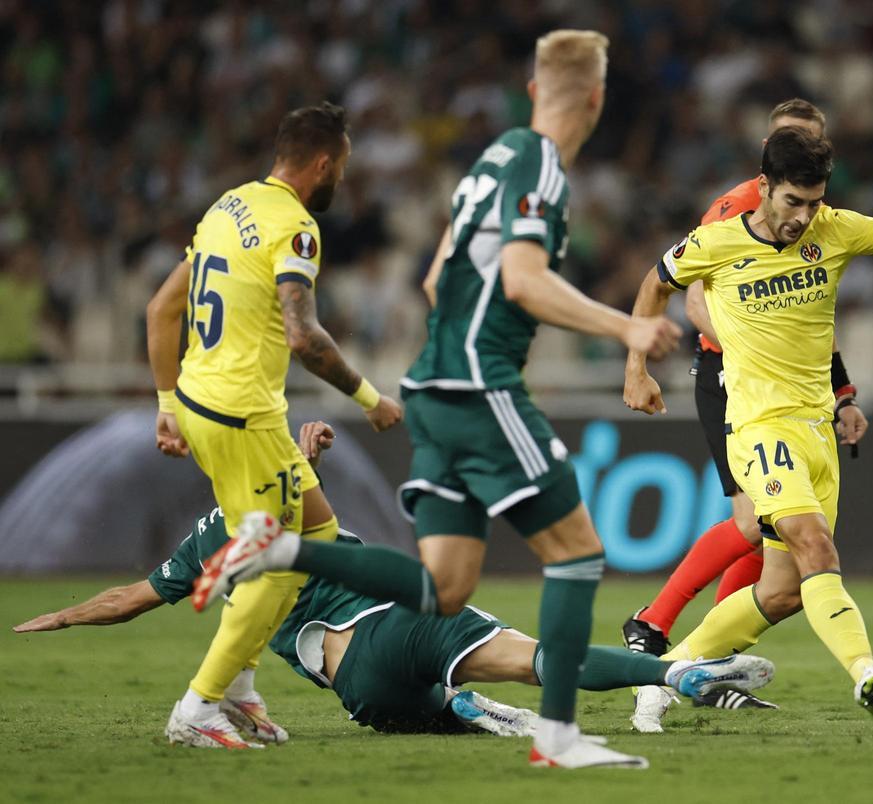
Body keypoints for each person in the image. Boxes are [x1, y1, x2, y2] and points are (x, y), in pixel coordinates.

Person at [201, 30, 679, 770]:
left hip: (431, 381)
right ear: (596, 98)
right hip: (478, 383)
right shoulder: (543, 167)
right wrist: (630, 328)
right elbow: (521, 279)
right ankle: (557, 740)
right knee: (578, 552)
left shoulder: (489, 160)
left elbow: (434, 279)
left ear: (530, 92)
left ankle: (282, 548)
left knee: (443, 587)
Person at [13, 422, 772, 742]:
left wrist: (65, 617)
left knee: (416, 713)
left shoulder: (207, 539)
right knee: (547, 660)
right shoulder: (290, 496)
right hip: (403, 618)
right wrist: (307, 449)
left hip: (359, 681)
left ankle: (460, 710)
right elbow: (309, 504)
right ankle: (675, 672)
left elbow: (131, 600)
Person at [623, 126, 873, 732]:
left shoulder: (839, 229)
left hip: (817, 430)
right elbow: (655, 283)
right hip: (755, 426)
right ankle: (866, 674)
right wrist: (637, 365)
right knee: (813, 545)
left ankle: (664, 673)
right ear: (765, 188)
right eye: (792, 202)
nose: (804, 217)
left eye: (814, 202)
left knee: (783, 592)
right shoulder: (716, 240)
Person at [145, 101, 403, 749]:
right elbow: (304, 337)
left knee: (315, 531)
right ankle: (197, 707)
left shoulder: (225, 208)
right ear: (323, 163)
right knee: (285, 560)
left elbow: (160, 308)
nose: (341, 177)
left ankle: (238, 688)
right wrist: (371, 397)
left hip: (202, 403)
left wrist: (167, 404)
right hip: (243, 416)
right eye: (341, 165)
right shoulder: (296, 228)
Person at [621, 102, 870, 705]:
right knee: (752, 523)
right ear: (769, 155)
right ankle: (655, 626)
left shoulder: (817, 220)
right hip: (730, 374)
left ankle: (705, 662)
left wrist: (841, 394)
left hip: (790, 391)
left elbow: (812, 321)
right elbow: (693, 296)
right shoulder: (735, 210)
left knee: (765, 534)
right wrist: (746, 346)